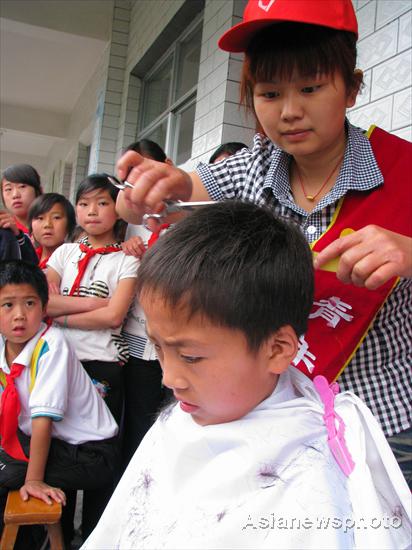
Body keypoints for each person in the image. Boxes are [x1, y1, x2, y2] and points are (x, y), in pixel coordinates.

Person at [114, 0, 412, 484]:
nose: (290, 112)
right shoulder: (254, 166)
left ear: (352, 88)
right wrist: (144, 193)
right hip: (276, 422)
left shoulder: (405, 172)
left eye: (311, 88)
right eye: (269, 93)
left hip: (388, 427)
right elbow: (181, 188)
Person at [83, 201, 410, 550]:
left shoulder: (311, 468)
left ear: (277, 350)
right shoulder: (175, 423)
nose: (169, 379)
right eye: (159, 348)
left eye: (191, 356)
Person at [45, 174, 138, 538]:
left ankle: (96, 534)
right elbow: (42, 300)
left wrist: (61, 315)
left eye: (102, 202)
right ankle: (59, 534)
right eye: (84, 204)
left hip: (103, 365)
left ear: (118, 209)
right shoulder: (64, 253)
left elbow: (114, 316)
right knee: (58, 448)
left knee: (99, 453)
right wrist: (91, 305)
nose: (92, 211)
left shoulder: (128, 260)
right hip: (58, 363)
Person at [0, 260, 118, 547]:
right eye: (7, 305)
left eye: (29, 303)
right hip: (51, 445)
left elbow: (43, 420)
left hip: (91, 453)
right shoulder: (3, 348)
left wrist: (34, 480)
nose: (19, 315)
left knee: (10, 472)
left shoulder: (51, 345)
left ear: (44, 307)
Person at [120, 139, 173, 470]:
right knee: (138, 424)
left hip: (176, 341)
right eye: (130, 178)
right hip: (140, 344)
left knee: (173, 425)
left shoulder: (191, 209)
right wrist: (127, 247)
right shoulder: (129, 218)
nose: (139, 185)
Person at [28, 193, 76, 270]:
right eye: (40, 218)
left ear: (69, 224)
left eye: (56, 217)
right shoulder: (27, 259)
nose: (47, 224)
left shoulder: (73, 263)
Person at [1, 164, 42, 234]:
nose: (15, 195)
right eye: (8, 189)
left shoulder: (51, 227)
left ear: (38, 190)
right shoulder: (4, 229)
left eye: (22, 186)